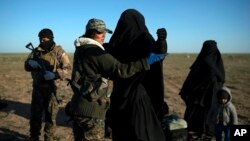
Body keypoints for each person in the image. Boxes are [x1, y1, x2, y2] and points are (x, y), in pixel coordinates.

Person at [68, 18, 166, 141]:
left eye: (105, 32)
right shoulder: (96, 52)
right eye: (99, 32)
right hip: (91, 110)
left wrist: (161, 45)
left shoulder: (81, 49)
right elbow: (120, 69)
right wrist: (147, 61)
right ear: (90, 32)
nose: (103, 35)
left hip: (79, 106)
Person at [105, 9, 168, 141]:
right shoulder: (122, 41)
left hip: (133, 96)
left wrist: (161, 44)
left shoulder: (142, 40)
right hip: (130, 97)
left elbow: (156, 57)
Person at [24, 28, 71, 141]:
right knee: (35, 116)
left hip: (52, 90)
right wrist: (30, 64)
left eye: (46, 38)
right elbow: (26, 66)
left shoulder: (59, 51)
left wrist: (55, 75)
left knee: (51, 118)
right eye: (41, 38)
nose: (43, 41)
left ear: (51, 38)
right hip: (38, 89)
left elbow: (68, 69)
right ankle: (34, 137)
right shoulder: (36, 51)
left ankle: (49, 138)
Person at [179, 40, 225, 141]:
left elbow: (189, 83)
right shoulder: (217, 65)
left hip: (202, 100)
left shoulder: (201, 62)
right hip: (201, 102)